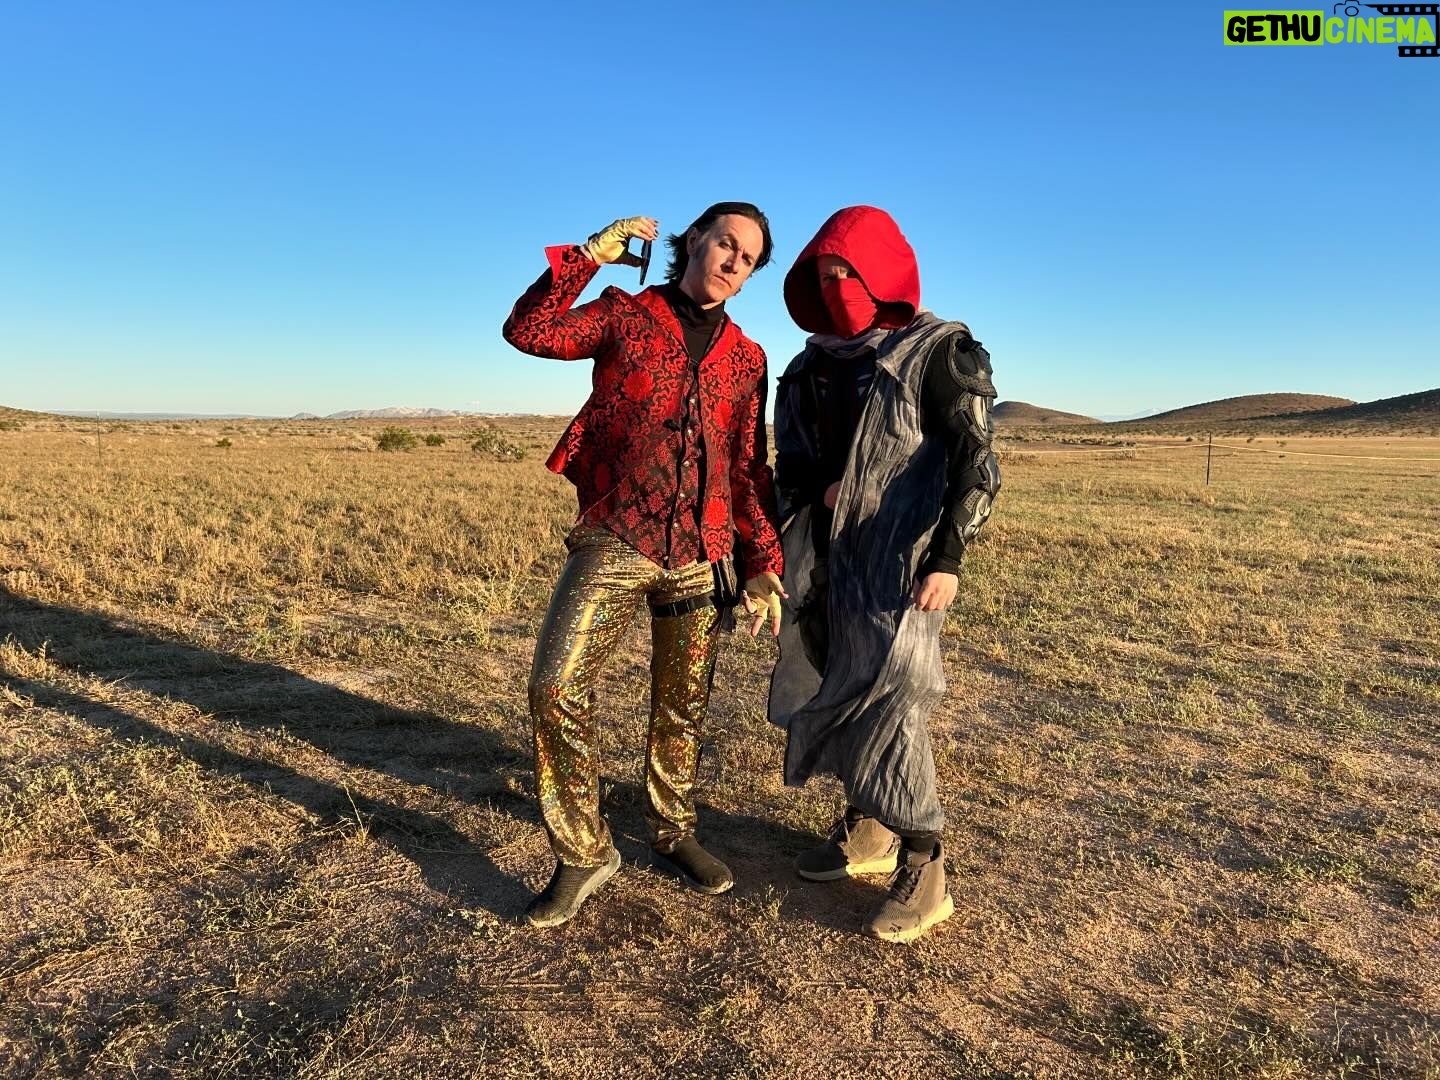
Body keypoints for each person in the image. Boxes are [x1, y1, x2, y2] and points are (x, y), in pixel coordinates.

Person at [502, 204, 787, 928]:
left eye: (748, 259)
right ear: (693, 242)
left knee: (682, 704)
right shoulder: (623, 315)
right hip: (617, 534)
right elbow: (529, 331)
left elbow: (748, 465)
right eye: (725, 243)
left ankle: (671, 830)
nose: (732, 262)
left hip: (703, 551)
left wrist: (761, 559)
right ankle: (584, 852)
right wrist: (588, 255)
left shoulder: (748, 358)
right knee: (554, 685)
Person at [768, 205, 1001, 943]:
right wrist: (809, 509)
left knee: (893, 694)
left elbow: (976, 464)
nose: (837, 286)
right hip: (827, 560)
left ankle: (925, 863)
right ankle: (870, 825)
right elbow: (793, 466)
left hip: (903, 563)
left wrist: (948, 559)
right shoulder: (808, 368)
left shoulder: (940, 351)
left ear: (886, 272)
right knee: (839, 683)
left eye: (850, 271)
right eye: (823, 275)